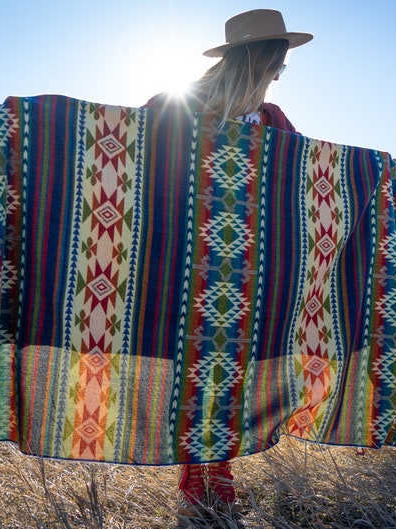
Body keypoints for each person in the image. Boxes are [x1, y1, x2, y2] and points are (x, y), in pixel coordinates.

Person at [143, 8, 312, 518]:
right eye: (277, 62)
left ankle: (214, 476)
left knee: (230, 372)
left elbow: (300, 177)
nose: (279, 73)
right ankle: (200, 482)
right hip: (183, 258)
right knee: (193, 370)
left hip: (247, 269)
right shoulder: (173, 104)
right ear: (260, 57)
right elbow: (134, 159)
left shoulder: (275, 121)